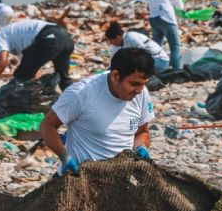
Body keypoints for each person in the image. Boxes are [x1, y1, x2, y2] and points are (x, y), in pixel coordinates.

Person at [39, 47, 155, 175]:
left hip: (121, 178)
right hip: (82, 176)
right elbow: (47, 125)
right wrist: (65, 157)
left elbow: (142, 132)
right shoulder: (81, 93)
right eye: (134, 84)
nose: (139, 90)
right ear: (115, 76)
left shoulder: (141, 93)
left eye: (144, 84)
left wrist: (141, 146)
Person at [0, 19, 74, 92]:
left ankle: (18, 108)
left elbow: (3, 63)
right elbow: (33, 67)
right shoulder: (17, 41)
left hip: (50, 38)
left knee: (20, 76)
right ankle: (79, 106)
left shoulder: (0, 37)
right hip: (66, 38)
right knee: (64, 79)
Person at [143, 0, 184, 70]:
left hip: (154, 17)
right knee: (175, 46)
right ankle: (176, 71)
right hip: (166, 15)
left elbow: (149, 0)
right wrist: (181, 7)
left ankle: (152, 71)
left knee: (156, 49)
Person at [104, 21, 170, 72]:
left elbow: (144, 56)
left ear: (117, 37)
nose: (110, 43)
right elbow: (113, 62)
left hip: (160, 61)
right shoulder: (116, 46)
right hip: (148, 64)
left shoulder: (131, 38)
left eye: (111, 41)